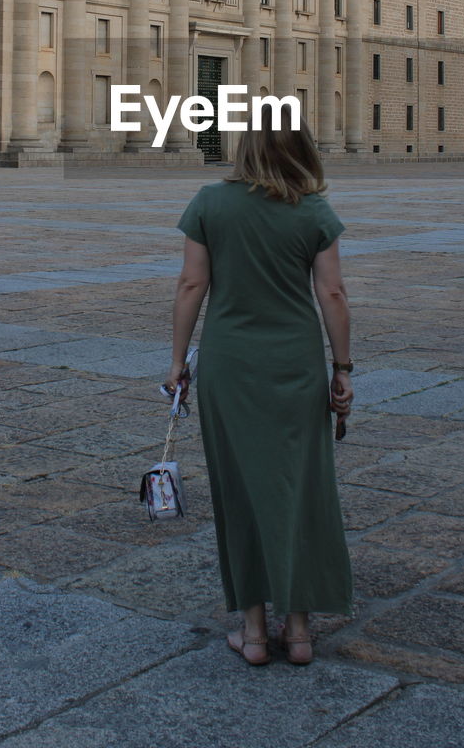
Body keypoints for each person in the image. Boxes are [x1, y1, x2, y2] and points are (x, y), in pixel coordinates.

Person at [164, 108, 353, 666]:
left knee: (239, 490)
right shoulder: (314, 210)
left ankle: (251, 633)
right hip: (296, 365)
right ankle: (297, 632)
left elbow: (191, 284)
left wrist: (177, 362)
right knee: (301, 488)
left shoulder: (209, 203)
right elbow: (334, 296)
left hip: (230, 365)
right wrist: (343, 369)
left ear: (245, 144)